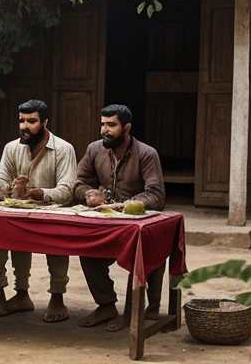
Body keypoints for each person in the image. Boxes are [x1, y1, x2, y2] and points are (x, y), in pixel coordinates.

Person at [0, 99, 78, 324]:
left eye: (31, 121)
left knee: (59, 236)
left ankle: (57, 298)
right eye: (21, 121)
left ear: (45, 122)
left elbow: (67, 191)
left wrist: (38, 193)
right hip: (18, 212)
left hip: (52, 214)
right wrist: (11, 187)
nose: (24, 126)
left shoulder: (63, 149)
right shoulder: (12, 148)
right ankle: (8, 295)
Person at [73, 103, 166, 332]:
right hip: (106, 221)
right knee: (88, 253)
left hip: (137, 224)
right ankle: (106, 305)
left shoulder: (146, 153)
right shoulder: (94, 149)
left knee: (140, 256)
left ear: (127, 128)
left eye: (111, 125)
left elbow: (156, 194)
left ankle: (133, 313)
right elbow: (78, 182)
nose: (104, 130)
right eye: (102, 125)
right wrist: (88, 194)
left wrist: (130, 204)